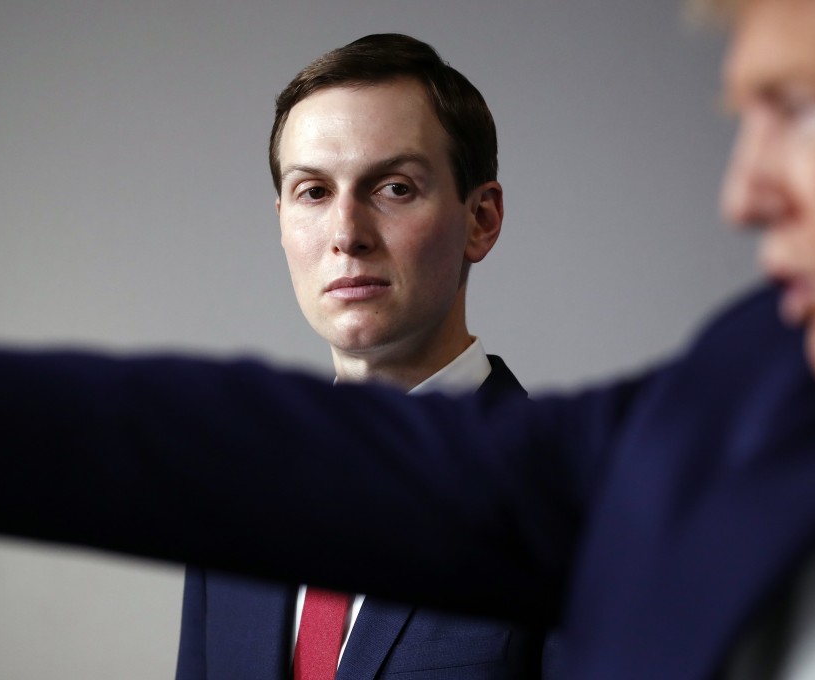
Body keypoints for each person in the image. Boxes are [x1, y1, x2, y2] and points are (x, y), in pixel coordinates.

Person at [0, 0, 815, 678]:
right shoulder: (757, 396)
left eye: (802, 108)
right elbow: (257, 456)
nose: (744, 193)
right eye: (310, 191)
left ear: (480, 216)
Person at [174, 34, 551, 680]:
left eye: (395, 188)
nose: (347, 234)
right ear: (283, 221)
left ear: (481, 219)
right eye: (314, 192)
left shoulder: (571, 504)